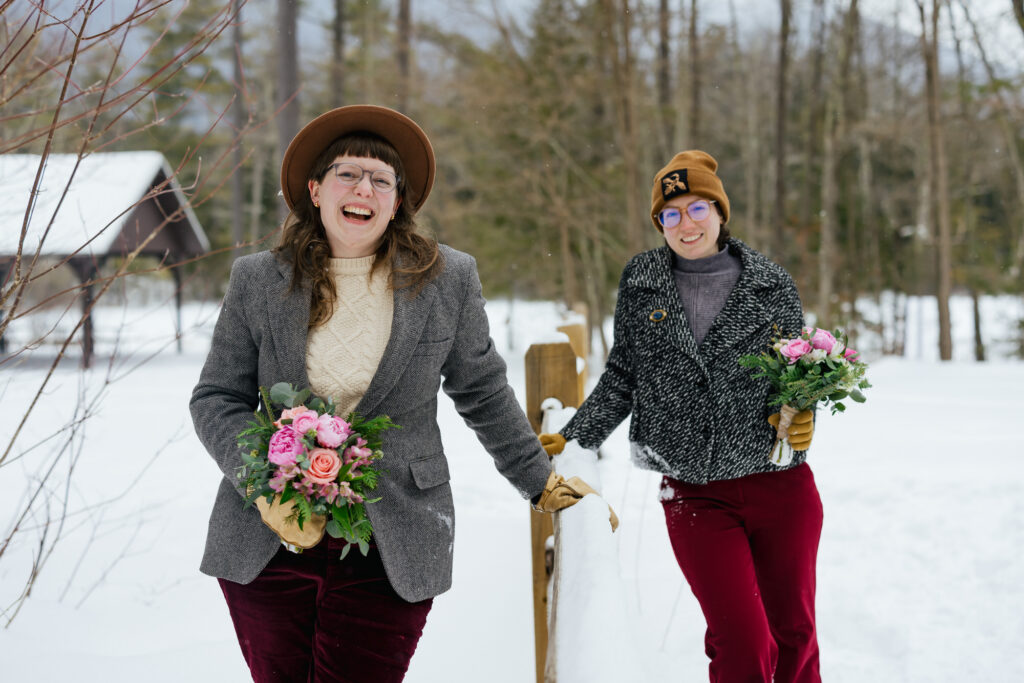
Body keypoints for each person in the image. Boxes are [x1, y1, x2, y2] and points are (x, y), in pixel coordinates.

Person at [190, 104, 610, 683]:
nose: (364, 187)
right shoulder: (259, 280)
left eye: (381, 179)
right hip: (270, 544)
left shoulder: (446, 279)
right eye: (347, 173)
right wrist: (263, 485)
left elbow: (482, 390)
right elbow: (215, 397)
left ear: (397, 201)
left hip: (393, 539)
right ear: (315, 190)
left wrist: (539, 480)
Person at [540, 150, 821, 683]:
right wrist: (576, 438)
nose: (685, 224)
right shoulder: (643, 281)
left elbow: (798, 376)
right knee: (742, 639)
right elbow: (624, 372)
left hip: (780, 488)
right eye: (671, 214)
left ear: (719, 211)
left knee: (794, 633)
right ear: (659, 223)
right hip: (695, 494)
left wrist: (803, 415)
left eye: (696, 209)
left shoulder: (771, 282)